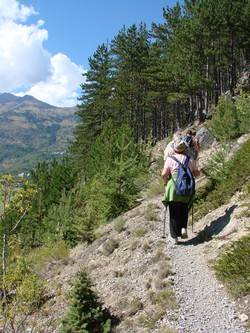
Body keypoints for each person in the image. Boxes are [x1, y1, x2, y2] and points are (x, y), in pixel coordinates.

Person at [161, 138, 200, 244]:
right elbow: (196, 173)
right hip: (186, 187)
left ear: (175, 149)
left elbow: (164, 174)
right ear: (184, 149)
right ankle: (183, 228)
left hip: (173, 187)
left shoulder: (170, 159)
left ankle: (174, 237)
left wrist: (165, 182)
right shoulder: (189, 159)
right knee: (184, 208)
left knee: (173, 211)